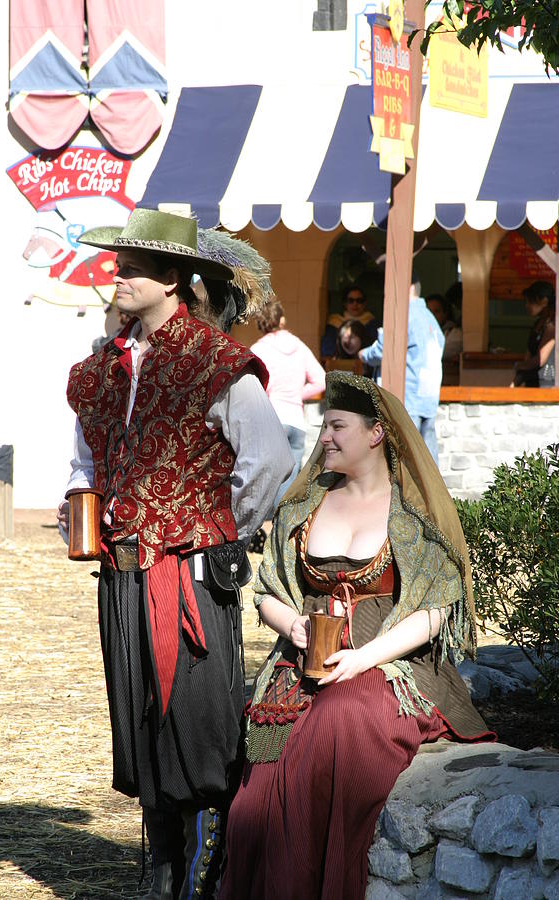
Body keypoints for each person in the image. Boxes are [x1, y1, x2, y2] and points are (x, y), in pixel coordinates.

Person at [57, 207, 294, 900]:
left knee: (197, 733)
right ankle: (158, 870)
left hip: (190, 578)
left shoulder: (218, 363)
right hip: (122, 575)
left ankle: (200, 879)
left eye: (132, 268)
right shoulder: (101, 369)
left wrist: (217, 528)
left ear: (171, 278)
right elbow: (84, 459)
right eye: (118, 264)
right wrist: (88, 504)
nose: (118, 276)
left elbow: (270, 461)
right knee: (140, 726)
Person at [218, 372, 495, 900]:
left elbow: (435, 611)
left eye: (337, 426)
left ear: (375, 434)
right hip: (301, 665)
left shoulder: (411, 518)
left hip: (389, 665)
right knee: (254, 802)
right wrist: (293, 624)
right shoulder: (303, 507)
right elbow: (269, 592)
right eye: (324, 426)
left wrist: (364, 657)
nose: (324, 437)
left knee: (333, 726)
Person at [359, 274, 444, 465]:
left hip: (408, 396)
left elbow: (385, 349)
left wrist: (364, 354)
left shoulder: (405, 314)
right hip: (428, 396)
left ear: (408, 287)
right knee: (428, 464)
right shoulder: (430, 318)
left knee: (403, 465)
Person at [250, 298, 325, 480]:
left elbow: (254, 389)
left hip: (271, 421)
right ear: (282, 320)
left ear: (260, 324)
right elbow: (322, 380)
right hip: (297, 422)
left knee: (269, 485)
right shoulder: (299, 346)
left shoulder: (258, 350)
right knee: (289, 489)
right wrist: (297, 395)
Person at [511, 280, 556, 388]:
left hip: (546, 382)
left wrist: (518, 366)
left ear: (544, 301)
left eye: (531, 301)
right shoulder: (537, 324)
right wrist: (515, 382)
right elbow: (529, 355)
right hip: (531, 381)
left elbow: (540, 359)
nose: (527, 305)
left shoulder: (553, 325)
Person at [321, 284, 378, 357]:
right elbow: (327, 349)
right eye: (351, 301)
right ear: (345, 303)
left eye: (359, 301)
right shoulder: (334, 322)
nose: (355, 304)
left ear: (364, 304)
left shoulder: (372, 323)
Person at [425, 292, 463, 361]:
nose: (432, 316)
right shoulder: (419, 332)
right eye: (428, 312)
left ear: (445, 314)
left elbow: (440, 352)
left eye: (436, 311)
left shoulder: (455, 333)